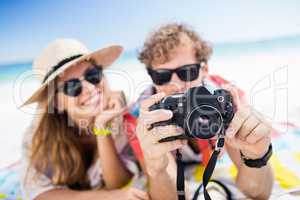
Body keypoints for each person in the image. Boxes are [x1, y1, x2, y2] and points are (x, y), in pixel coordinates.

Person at [128, 23, 274, 199]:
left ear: (204, 69)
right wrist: (155, 168)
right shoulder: (143, 116)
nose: (175, 85)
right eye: (162, 75)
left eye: (187, 72)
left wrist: (256, 155)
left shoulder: (225, 99)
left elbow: (257, 193)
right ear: (151, 76)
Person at [20, 39, 149, 200]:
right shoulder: (38, 137)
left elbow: (118, 183)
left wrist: (102, 128)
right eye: (71, 86)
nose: (89, 88)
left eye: (92, 75)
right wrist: (107, 198)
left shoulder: (123, 115)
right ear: (57, 103)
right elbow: (39, 194)